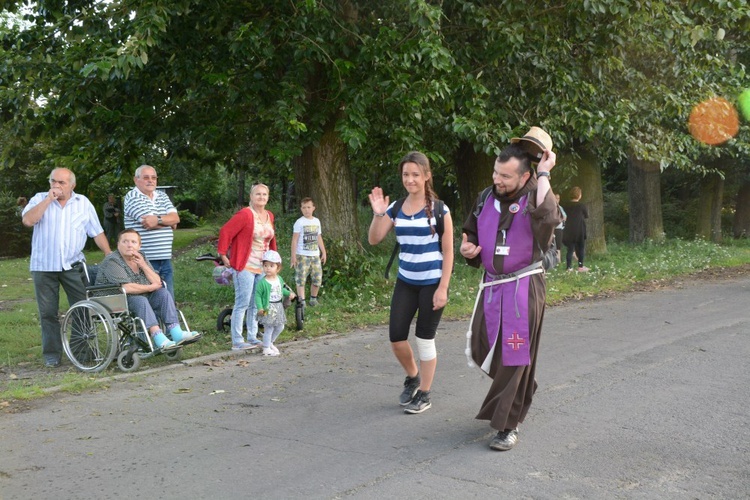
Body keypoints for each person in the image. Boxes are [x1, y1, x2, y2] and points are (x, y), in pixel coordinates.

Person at [459, 126, 561, 451]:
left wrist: (544, 174)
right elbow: (470, 231)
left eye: (505, 176)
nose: (497, 180)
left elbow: (548, 216)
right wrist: (468, 248)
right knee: (488, 348)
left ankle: (507, 424)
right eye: (495, 173)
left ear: (525, 175)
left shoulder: (536, 194)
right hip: (492, 288)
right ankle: (523, 388)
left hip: (523, 289)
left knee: (515, 354)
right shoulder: (486, 196)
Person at [368, 151, 454, 415]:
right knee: (396, 337)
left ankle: (425, 394)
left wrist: (443, 288)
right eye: (406, 174)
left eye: (416, 174)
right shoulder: (395, 208)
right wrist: (379, 214)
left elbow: (449, 251)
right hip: (406, 282)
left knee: (424, 340)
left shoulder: (441, 210)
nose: (410, 179)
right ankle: (413, 376)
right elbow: (374, 239)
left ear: (427, 176)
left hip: (431, 283)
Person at [21, 168, 112, 367]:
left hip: (73, 265)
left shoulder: (83, 203)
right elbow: (28, 220)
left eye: (62, 182)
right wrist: (48, 201)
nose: (56, 186)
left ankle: (81, 352)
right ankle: (52, 355)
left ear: (72, 185)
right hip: (43, 266)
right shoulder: (39, 199)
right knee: (48, 313)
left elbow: (96, 232)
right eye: (53, 181)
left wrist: (108, 255)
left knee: (82, 308)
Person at [95, 229, 199, 350]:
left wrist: (143, 265)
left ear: (139, 245)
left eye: (133, 242)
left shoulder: (141, 256)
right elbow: (127, 287)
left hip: (140, 296)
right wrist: (150, 287)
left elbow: (157, 282)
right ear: (118, 245)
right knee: (141, 300)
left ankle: (176, 333)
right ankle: (159, 337)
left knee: (163, 293)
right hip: (116, 300)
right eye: (125, 241)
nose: (129, 245)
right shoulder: (112, 260)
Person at [218, 183, 277, 351]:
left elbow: (271, 240)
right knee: (242, 303)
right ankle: (237, 340)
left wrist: (274, 260)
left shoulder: (269, 215)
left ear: (268, 197)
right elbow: (226, 231)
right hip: (245, 266)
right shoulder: (245, 214)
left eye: (264, 194)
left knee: (256, 304)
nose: (261, 197)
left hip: (263, 267)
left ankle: (252, 337)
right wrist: (223, 254)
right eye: (258, 194)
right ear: (251, 197)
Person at [123, 165, 180, 297]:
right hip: (144, 259)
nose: (151, 181)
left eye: (154, 178)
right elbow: (149, 222)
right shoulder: (132, 196)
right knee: (151, 300)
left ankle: (168, 319)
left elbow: (176, 219)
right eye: (146, 177)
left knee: (168, 299)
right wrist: (167, 221)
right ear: (136, 180)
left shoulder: (162, 196)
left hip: (165, 258)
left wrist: (158, 220)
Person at [255, 250, 295, 357]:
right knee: (269, 328)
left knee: (280, 326)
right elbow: (258, 295)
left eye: (271, 266)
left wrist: (289, 293)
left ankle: (269, 342)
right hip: (268, 307)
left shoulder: (279, 279)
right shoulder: (262, 283)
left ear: (278, 268)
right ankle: (266, 348)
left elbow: (281, 290)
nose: (268, 268)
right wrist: (260, 307)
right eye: (265, 265)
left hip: (278, 306)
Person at [290, 197, 327, 307]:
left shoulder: (316, 221)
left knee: (317, 278)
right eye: (304, 207)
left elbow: (318, 237)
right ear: (301, 209)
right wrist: (293, 256)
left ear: (313, 208)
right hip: (302, 255)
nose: (306, 210)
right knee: (301, 278)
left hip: (315, 255)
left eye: (309, 207)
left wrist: (323, 252)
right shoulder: (299, 222)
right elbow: (295, 240)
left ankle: (313, 299)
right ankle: (302, 301)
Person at [562, 186, 589, 272]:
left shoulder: (565, 205)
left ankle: (568, 267)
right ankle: (580, 266)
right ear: (579, 195)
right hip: (579, 229)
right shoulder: (581, 206)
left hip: (569, 229)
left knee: (570, 249)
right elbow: (586, 216)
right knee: (580, 247)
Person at [554, 193, 567, 263]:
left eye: (558, 198)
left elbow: (565, 217)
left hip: (559, 228)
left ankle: (559, 261)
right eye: (555, 198)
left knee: (558, 245)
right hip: (552, 228)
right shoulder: (550, 207)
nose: (557, 200)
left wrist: (562, 218)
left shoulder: (560, 207)